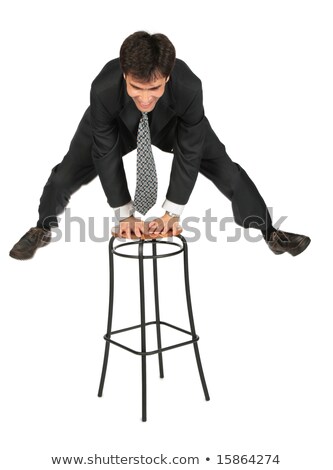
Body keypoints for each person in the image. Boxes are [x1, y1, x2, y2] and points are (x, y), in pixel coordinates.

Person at [9, 31, 310, 260]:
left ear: (167, 76)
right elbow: (105, 152)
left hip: (174, 126)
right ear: (125, 74)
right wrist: (124, 214)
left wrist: (172, 213)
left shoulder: (189, 88)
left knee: (229, 173)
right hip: (116, 125)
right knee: (63, 175)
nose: (144, 98)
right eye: (136, 88)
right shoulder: (102, 89)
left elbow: (191, 151)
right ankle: (42, 227)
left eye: (154, 88)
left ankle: (270, 232)